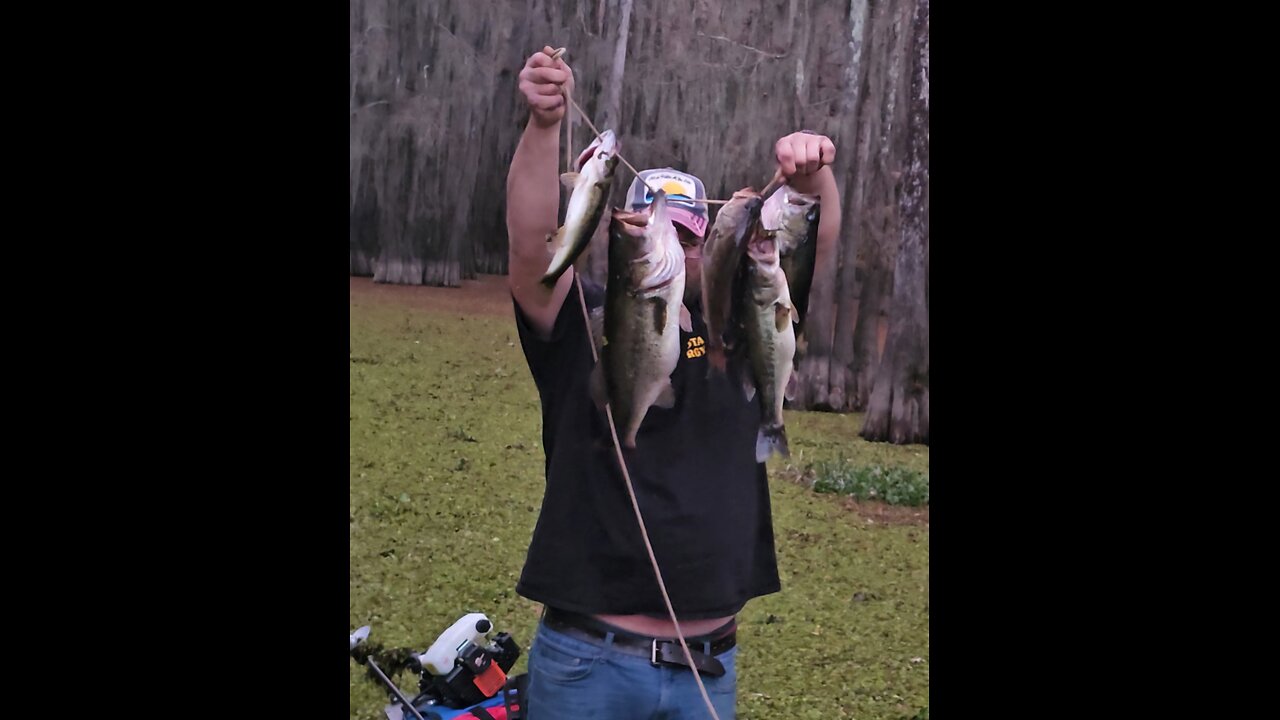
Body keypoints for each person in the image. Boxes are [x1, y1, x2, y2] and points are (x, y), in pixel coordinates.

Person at [505, 46, 841, 719]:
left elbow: (810, 247)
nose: (675, 247)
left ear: (709, 245)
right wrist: (545, 129)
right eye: (649, 228)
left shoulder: (741, 330)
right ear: (609, 232)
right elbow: (533, 244)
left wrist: (815, 179)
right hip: (585, 664)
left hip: (706, 668)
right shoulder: (587, 318)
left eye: (690, 235)